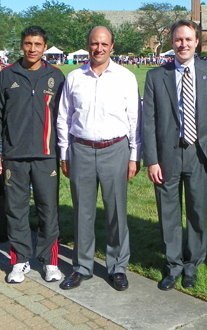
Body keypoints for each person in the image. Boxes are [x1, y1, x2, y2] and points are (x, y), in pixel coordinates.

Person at [142, 19, 207, 291]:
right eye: (178, 40)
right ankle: (173, 266)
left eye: (188, 39)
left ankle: (192, 264)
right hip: (167, 156)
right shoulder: (155, 76)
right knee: (168, 213)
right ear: (172, 43)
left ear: (197, 42)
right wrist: (152, 160)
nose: (183, 44)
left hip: (200, 154)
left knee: (197, 211)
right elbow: (148, 121)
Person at [57, 26, 141, 291]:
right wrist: (64, 153)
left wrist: (134, 156)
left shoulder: (125, 77)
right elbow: (63, 117)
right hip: (80, 149)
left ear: (112, 46)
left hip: (115, 149)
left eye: (104, 44)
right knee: (83, 211)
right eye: (94, 43)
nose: (99, 48)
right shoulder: (74, 78)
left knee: (116, 211)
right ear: (88, 45)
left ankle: (117, 266)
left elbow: (134, 120)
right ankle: (81, 266)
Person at [0, 26, 65, 283]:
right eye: (28, 43)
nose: (33, 49)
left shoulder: (56, 76)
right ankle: (20, 260)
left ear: (45, 47)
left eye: (38, 44)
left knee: (48, 209)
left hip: (47, 156)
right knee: (16, 209)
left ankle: (50, 261)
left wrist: (64, 153)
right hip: (13, 156)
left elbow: (65, 117)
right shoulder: (7, 75)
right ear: (22, 45)